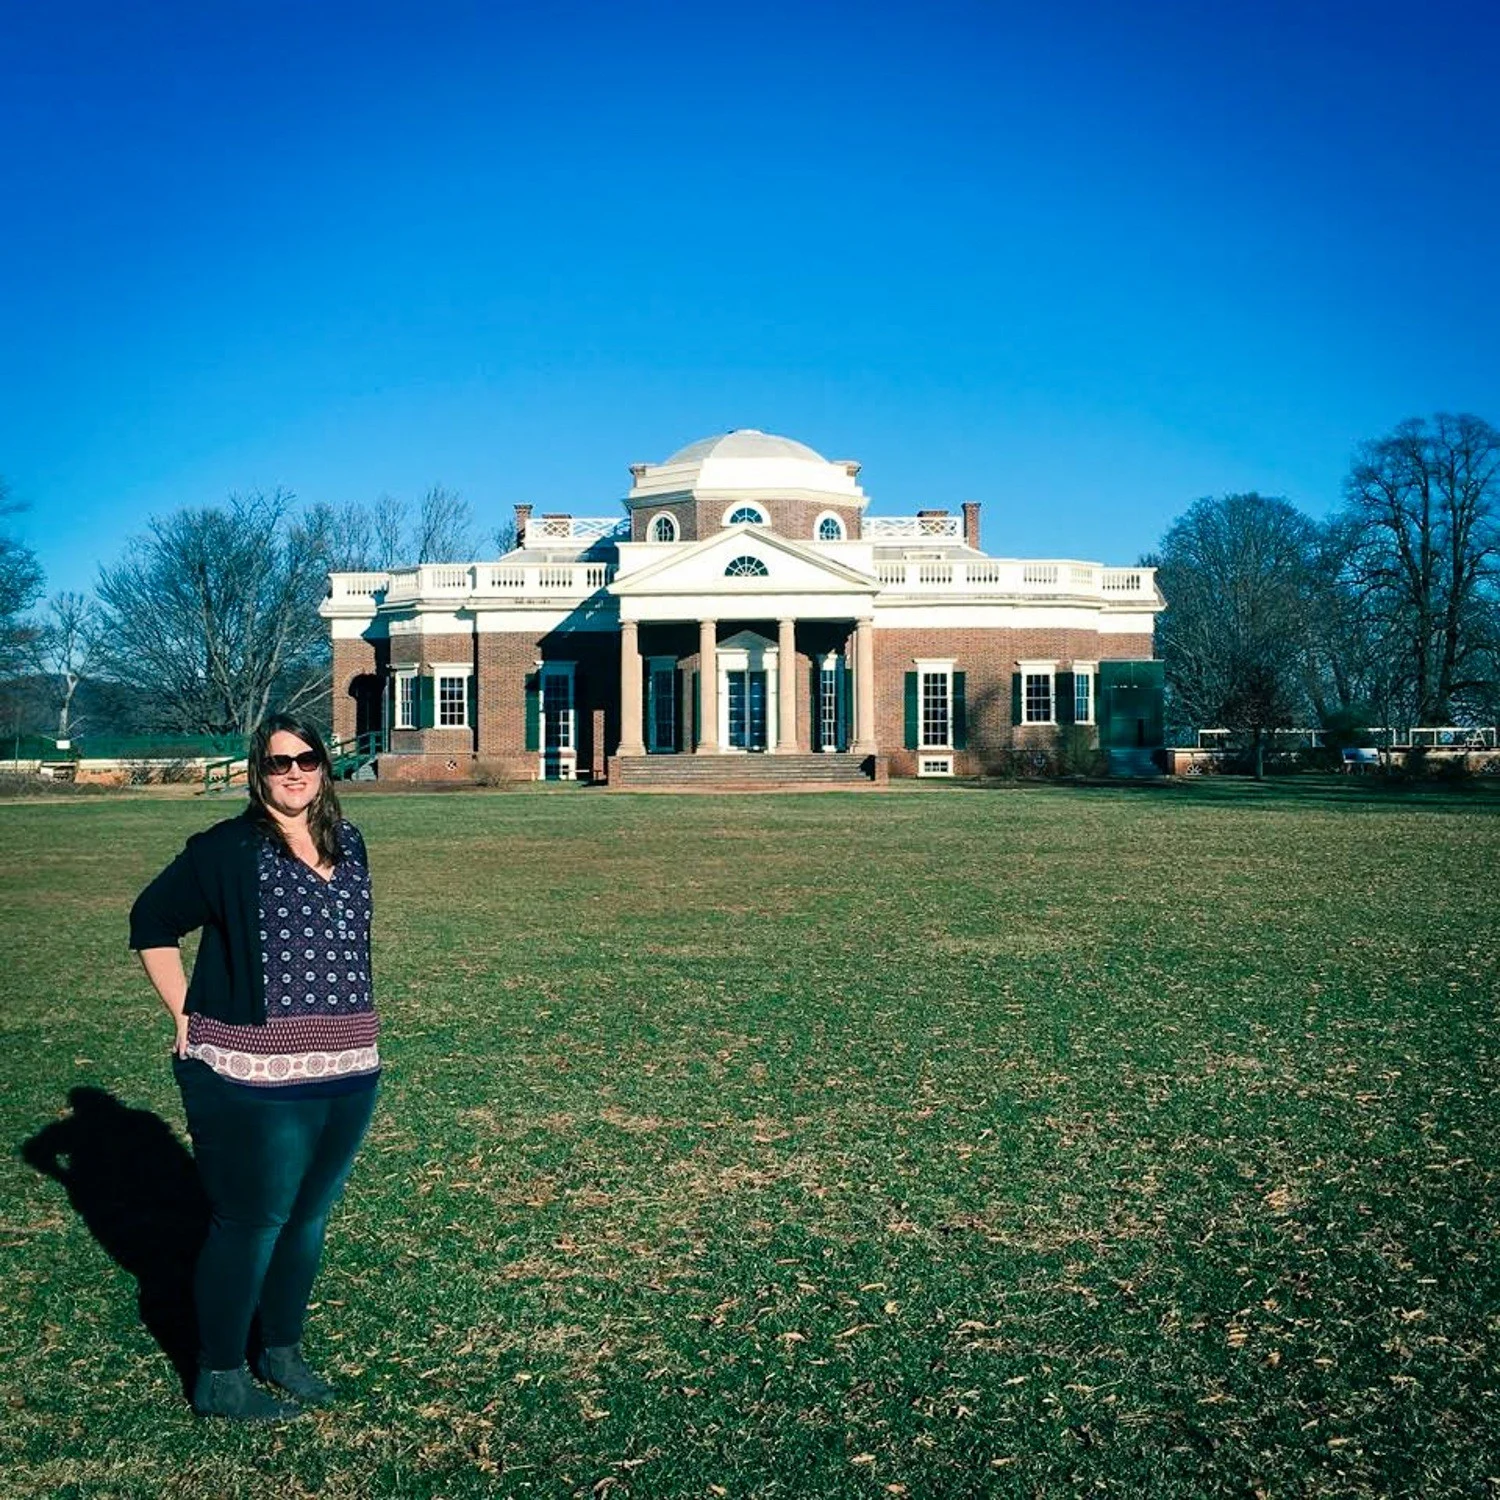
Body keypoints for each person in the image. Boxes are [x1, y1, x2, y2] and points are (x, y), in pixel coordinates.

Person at [131, 712, 379, 1421]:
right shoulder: (227, 849)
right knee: (253, 1220)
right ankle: (220, 1374)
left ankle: (283, 1350)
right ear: (257, 771)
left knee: (307, 1220)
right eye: (278, 763)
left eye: (307, 759)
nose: (295, 771)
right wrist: (184, 1012)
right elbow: (150, 921)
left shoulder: (350, 841)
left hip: (349, 1065)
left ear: (325, 766)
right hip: (252, 1074)